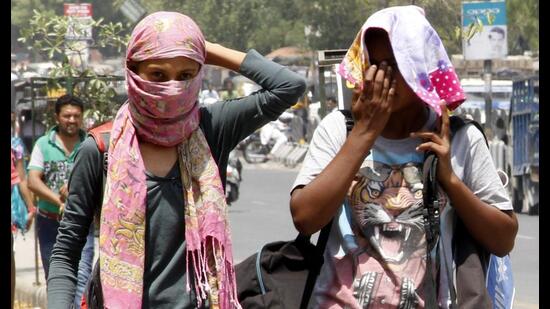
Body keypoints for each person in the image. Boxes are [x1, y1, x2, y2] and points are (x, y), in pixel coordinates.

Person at [47, 11, 306, 308]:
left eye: (185, 75)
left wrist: (202, 48)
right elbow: (67, 250)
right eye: (158, 74)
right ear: (133, 70)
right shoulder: (100, 150)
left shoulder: (211, 128)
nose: (172, 88)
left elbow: (289, 87)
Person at [289, 6, 517, 308]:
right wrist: (364, 134)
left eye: (395, 64)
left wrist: (449, 179)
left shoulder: (460, 138)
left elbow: (503, 239)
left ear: (420, 66)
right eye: (376, 64)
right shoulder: (340, 130)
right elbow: (305, 218)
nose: (383, 76)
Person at [27, 94, 95, 309]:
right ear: (57, 117)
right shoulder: (43, 144)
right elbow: (32, 181)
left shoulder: (90, 144)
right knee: (56, 279)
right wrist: (59, 200)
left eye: (76, 116)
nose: (72, 120)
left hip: (82, 224)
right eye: (67, 116)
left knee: (82, 277)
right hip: (50, 223)